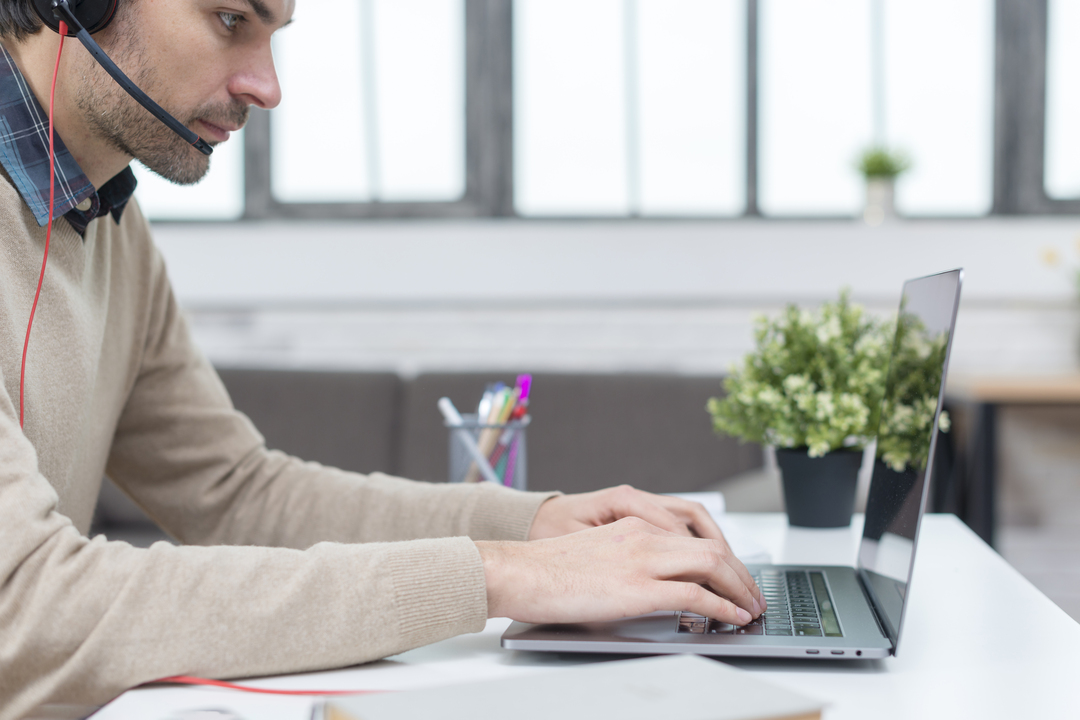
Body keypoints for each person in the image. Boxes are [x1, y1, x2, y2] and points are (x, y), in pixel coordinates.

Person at [0, 0, 763, 715]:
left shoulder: (102, 217)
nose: (267, 87)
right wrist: (502, 577)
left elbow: (237, 495)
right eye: (231, 18)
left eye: (275, 36)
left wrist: (541, 527)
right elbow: (26, 606)